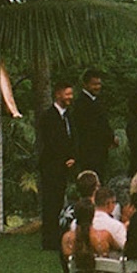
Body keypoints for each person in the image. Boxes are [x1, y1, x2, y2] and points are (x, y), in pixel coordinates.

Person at [36, 82, 78, 250]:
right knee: (50, 202)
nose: (70, 97)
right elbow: (51, 142)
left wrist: (73, 157)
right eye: (67, 94)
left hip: (64, 165)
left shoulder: (69, 116)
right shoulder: (49, 116)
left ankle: (56, 236)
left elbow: (73, 137)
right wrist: (63, 159)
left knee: (59, 200)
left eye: (71, 94)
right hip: (51, 165)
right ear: (58, 94)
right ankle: (49, 240)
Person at [73, 68, 116, 178]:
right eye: (94, 84)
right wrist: (109, 137)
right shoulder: (81, 104)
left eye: (99, 84)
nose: (98, 87)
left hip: (100, 151)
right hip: (89, 152)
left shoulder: (96, 101)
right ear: (85, 84)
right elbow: (92, 128)